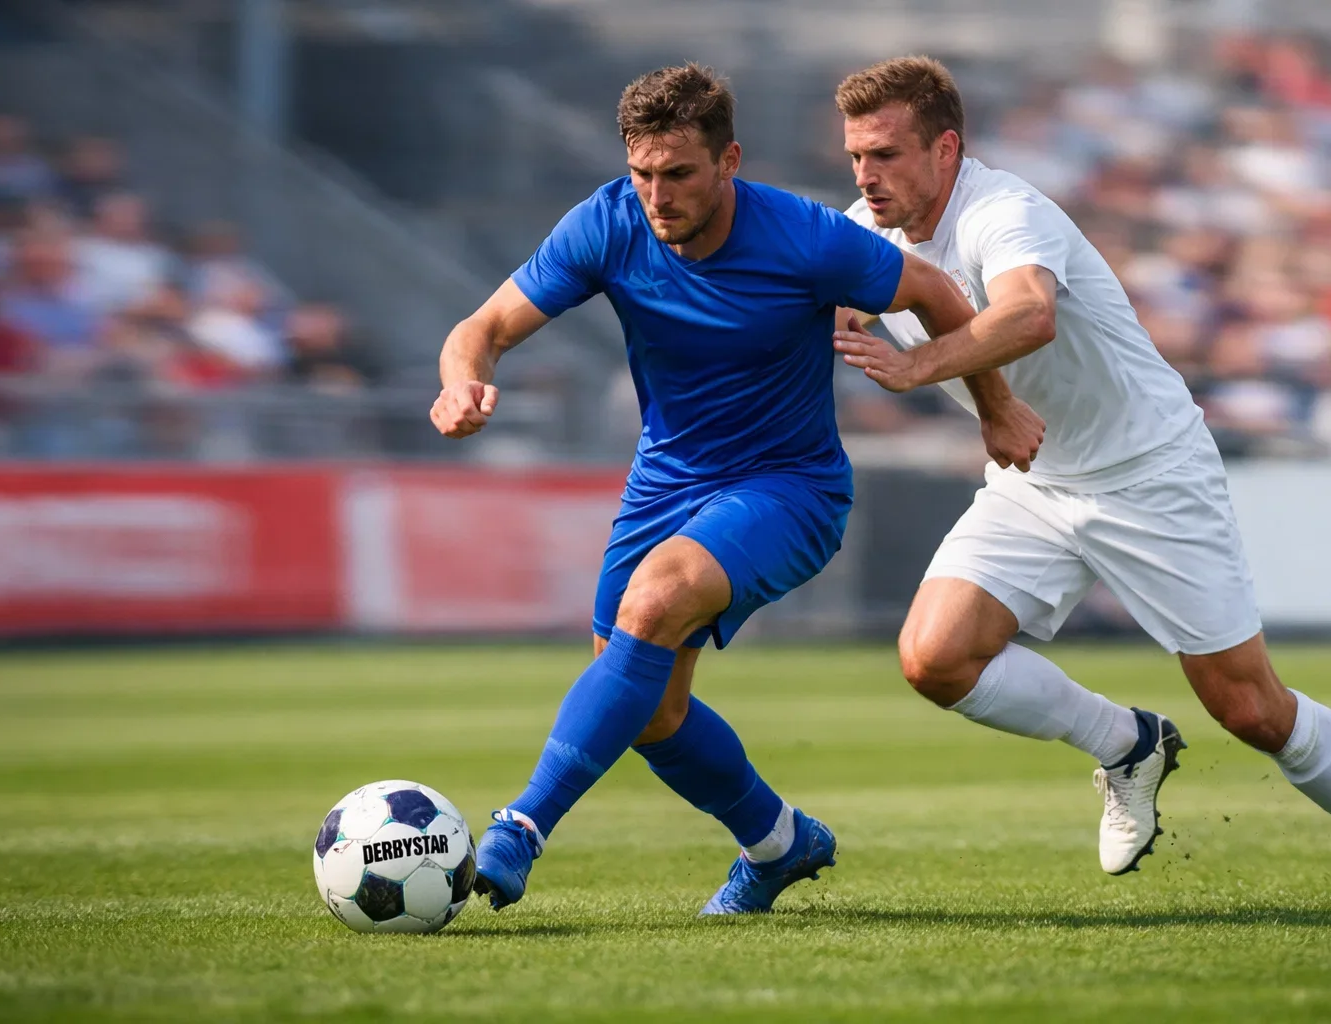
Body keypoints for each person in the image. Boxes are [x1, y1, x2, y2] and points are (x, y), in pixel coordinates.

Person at [829, 56, 1331, 914]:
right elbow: (811, 308)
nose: (869, 176)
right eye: (857, 157)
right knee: (935, 659)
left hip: (1149, 473)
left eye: (889, 154)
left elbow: (1027, 313)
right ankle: (1128, 745)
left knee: (1250, 709)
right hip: (1037, 477)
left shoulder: (1004, 210)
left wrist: (916, 370)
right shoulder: (859, 230)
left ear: (946, 149)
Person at [430, 63, 1042, 915]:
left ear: (730, 162)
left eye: (678, 173)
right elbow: (483, 327)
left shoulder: (805, 237)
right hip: (665, 484)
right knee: (646, 710)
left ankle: (521, 826)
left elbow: (939, 294)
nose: (657, 194)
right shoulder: (605, 225)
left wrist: (996, 409)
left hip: (789, 488)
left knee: (655, 600)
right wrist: (462, 381)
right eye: (643, 173)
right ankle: (782, 843)